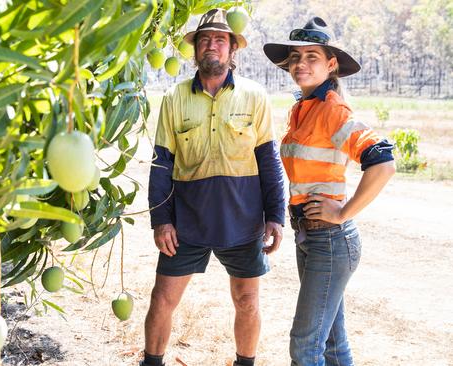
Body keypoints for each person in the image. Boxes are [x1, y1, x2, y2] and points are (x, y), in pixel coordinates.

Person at [143, 9, 286, 366]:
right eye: (205, 39)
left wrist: (276, 216)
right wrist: (161, 221)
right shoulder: (175, 98)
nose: (212, 46)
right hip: (186, 223)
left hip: (243, 221)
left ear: (232, 49)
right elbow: (162, 164)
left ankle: (245, 362)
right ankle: (151, 362)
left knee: (247, 301)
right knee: (162, 298)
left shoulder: (255, 96)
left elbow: (269, 160)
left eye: (220, 40)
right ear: (195, 50)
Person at [263, 17, 395, 365]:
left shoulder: (332, 110)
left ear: (331, 64)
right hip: (310, 237)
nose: (300, 64)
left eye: (312, 56)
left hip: (332, 240)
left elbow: (383, 162)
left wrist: (342, 212)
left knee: (305, 347)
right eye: (295, 57)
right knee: (333, 343)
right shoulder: (302, 109)